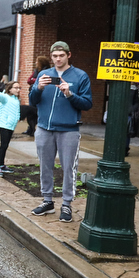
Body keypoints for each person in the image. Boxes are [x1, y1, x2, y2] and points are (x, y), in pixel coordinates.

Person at [28, 41, 93, 222]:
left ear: (68, 55)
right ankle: (47, 201)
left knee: (68, 168)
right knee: (45, 165)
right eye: (55, 56)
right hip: (44, 128)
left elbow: (87, 104)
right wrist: (38, 87)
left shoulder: (80, 76)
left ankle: (66, 204)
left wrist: (69, 93)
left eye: (61, 56)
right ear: (51, 57)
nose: (58, 59)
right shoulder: (44, 74)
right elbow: (32, 101)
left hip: (69, 130)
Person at [23, 56, 50, 136]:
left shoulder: (46, 71)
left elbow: (38, 80)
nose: (35, 63)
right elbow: (29, 80)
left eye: (37, 61)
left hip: (42, 94)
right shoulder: (36, 71)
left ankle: (35, 129)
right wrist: (36, 80)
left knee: (36, 113)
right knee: (31, 113)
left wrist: (35, 80)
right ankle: (30, 129)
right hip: (33, 92)